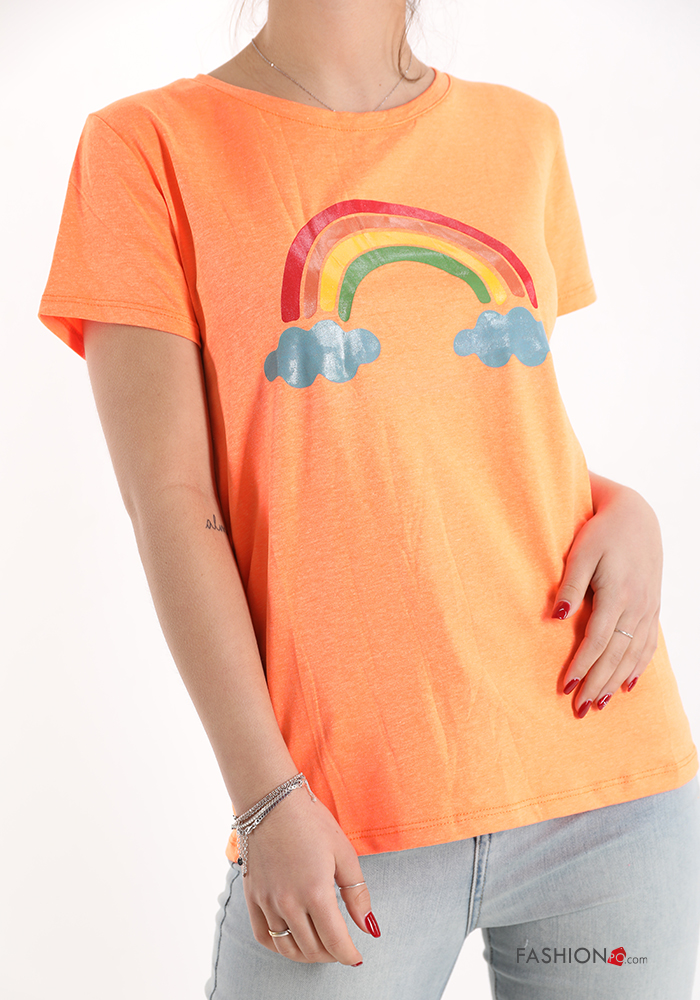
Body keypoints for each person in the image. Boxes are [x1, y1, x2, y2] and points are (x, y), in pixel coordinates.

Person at [38, 1, 700, 997]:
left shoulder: (522, 134)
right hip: (341, 820)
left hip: (606, 780)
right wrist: (265, 797)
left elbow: (481, 435)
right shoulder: (146, 147)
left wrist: (631, 511)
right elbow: (171, 501)